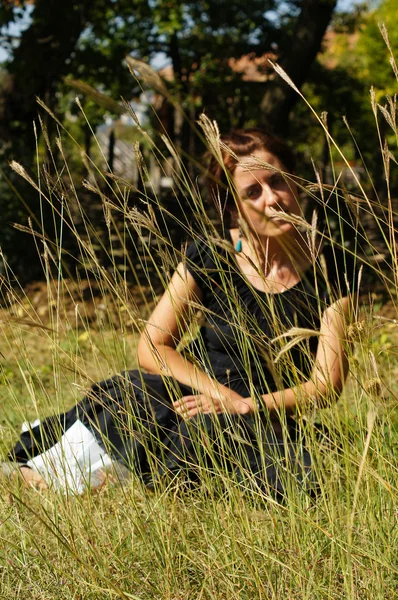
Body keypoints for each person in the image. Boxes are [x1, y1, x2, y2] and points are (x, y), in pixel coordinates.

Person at [5, 128, 359, 496]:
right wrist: (218, 394)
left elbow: (324, 386)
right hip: (190, 392)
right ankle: (52, 476)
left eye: (277, 181)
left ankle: (102, 478)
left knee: (288, 472)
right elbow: (153, 346)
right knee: (135, 395)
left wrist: (242, 406)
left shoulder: (334, 268)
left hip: (262, 414)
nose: (272, 199)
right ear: (233, 207)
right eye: (252, 192)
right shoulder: (213, 256)